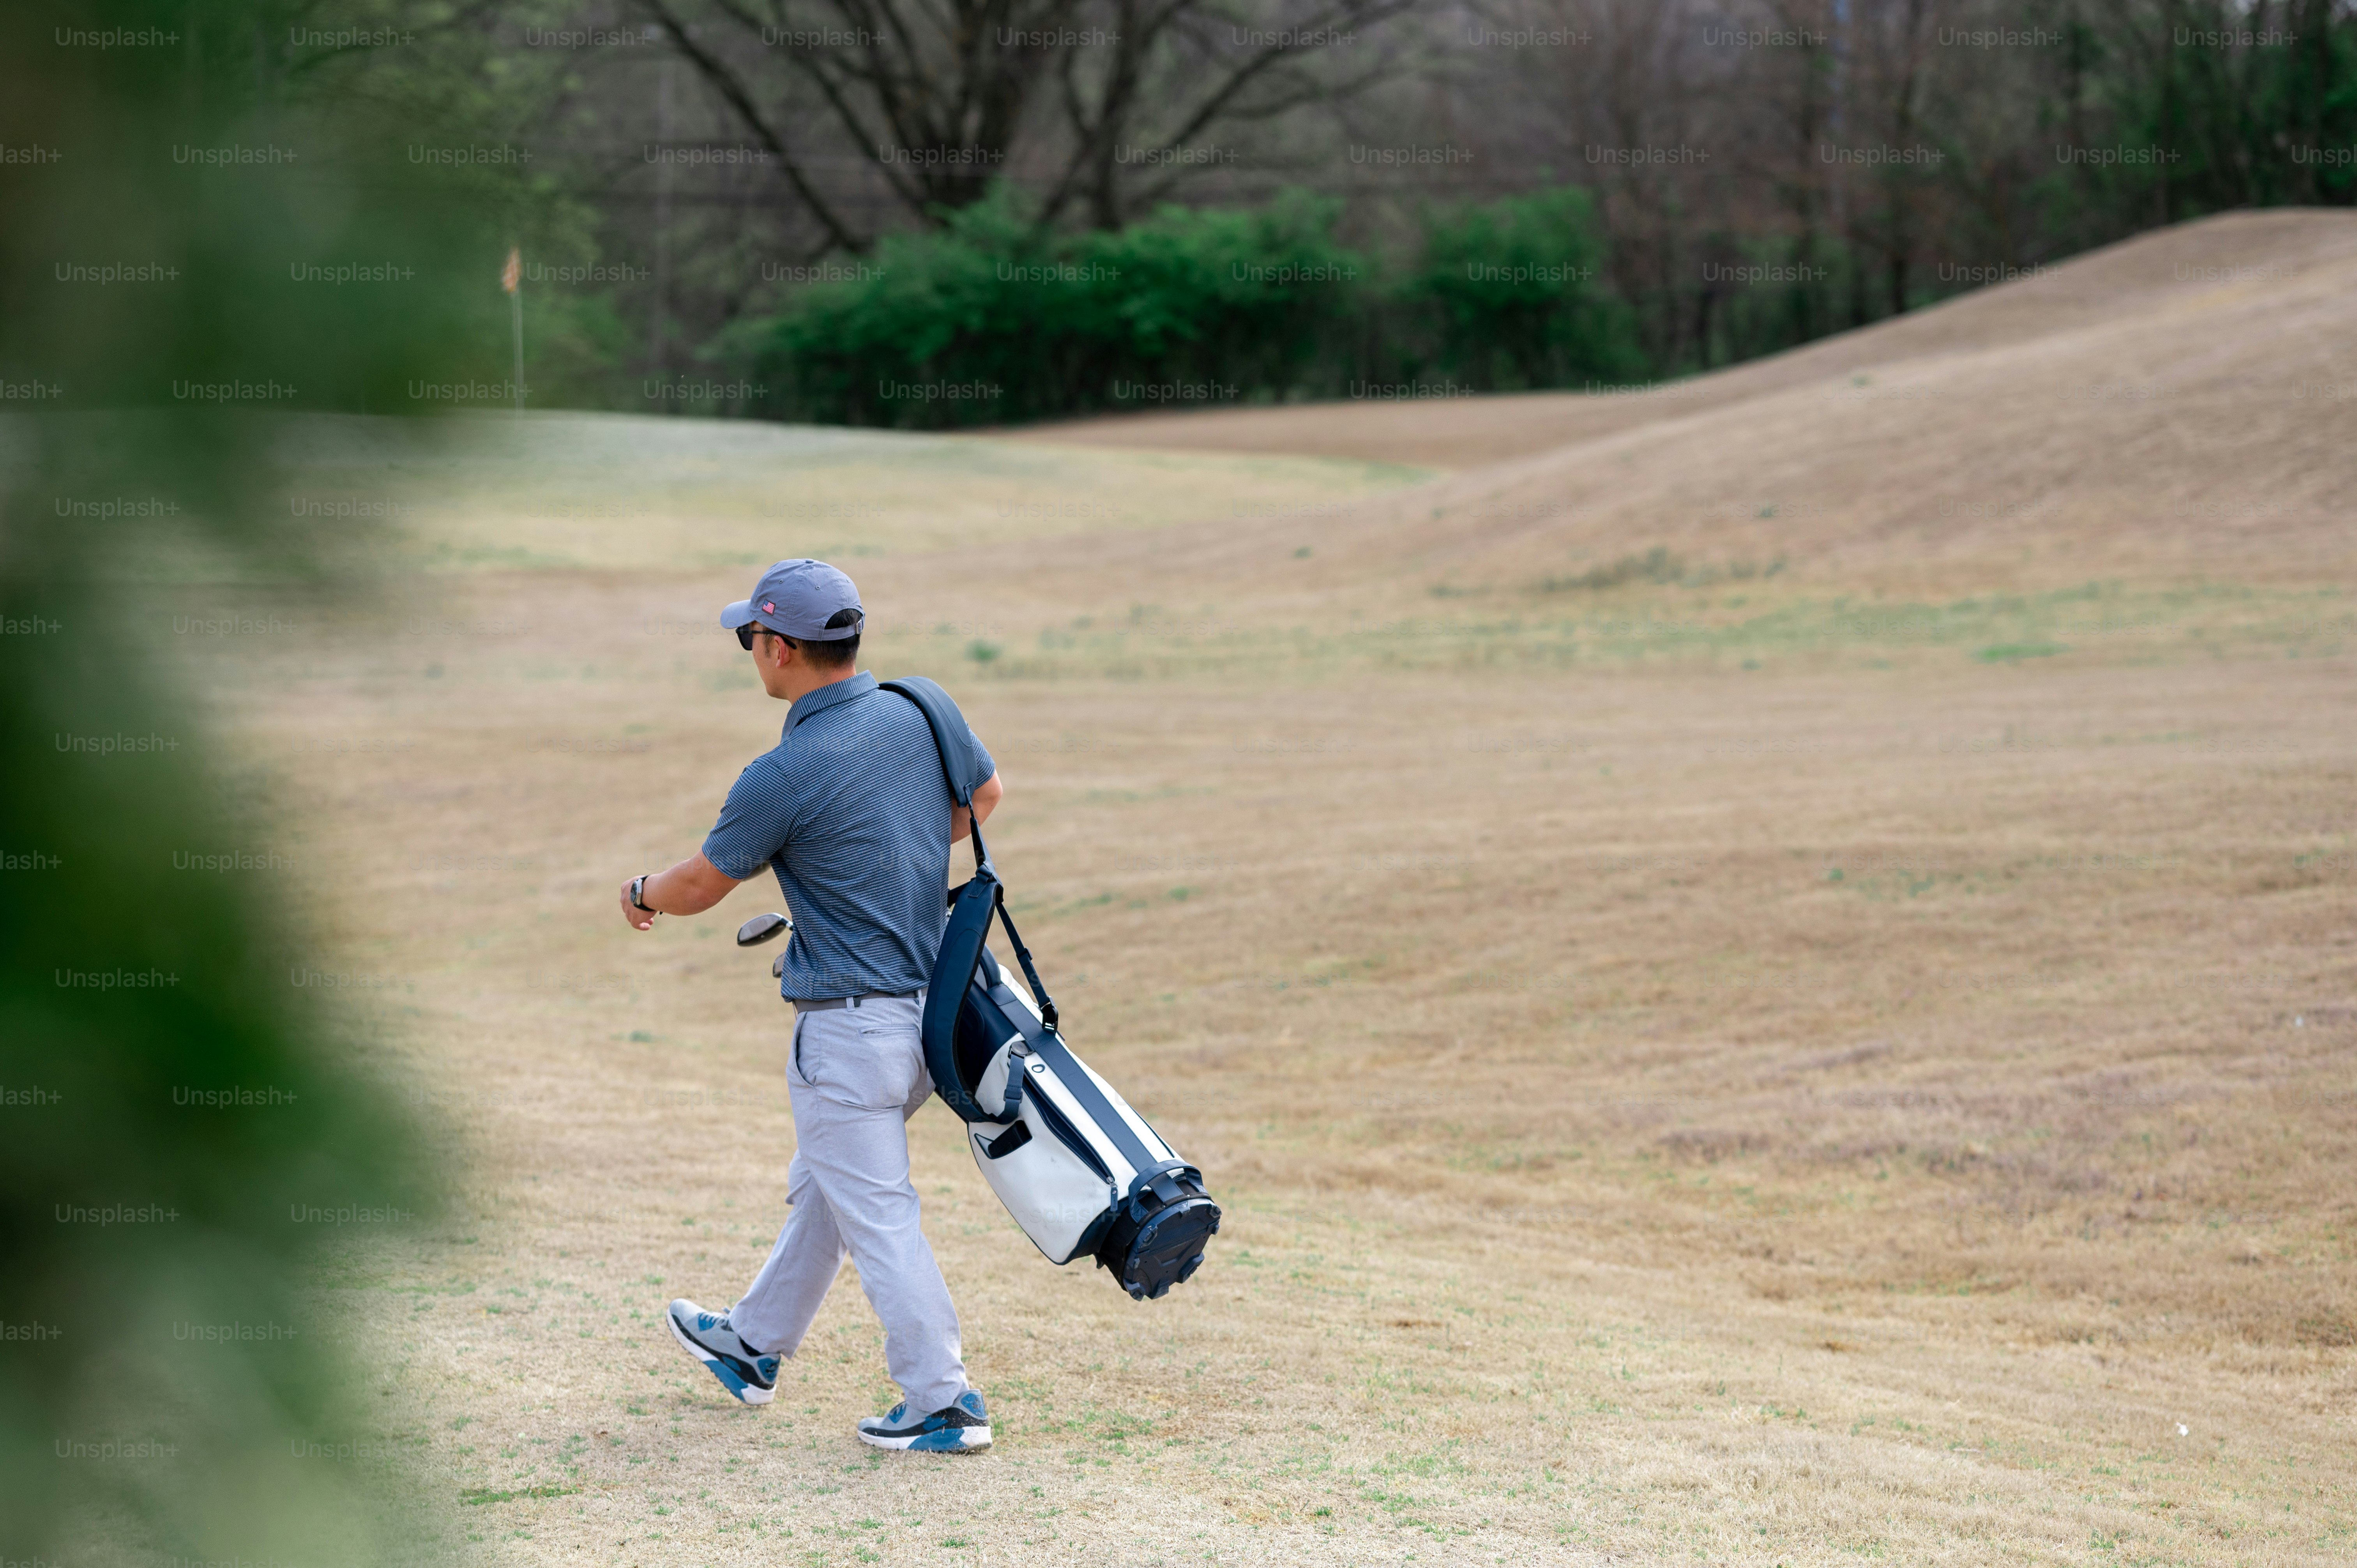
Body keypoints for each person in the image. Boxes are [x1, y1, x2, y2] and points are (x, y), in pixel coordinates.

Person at [616, 558, 1003, 1453]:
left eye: (752, 637)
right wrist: (879, 852)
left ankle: (943, 1398)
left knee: (876, 1210)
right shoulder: (921, 708)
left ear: (783, 647)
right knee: (833, 1185)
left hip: (849, 1032)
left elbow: (704, 883)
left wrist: (640, 889)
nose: (751, 651)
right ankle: (752, 1345)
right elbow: (981, 796)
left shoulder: (783, 771)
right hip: (929, 1026)